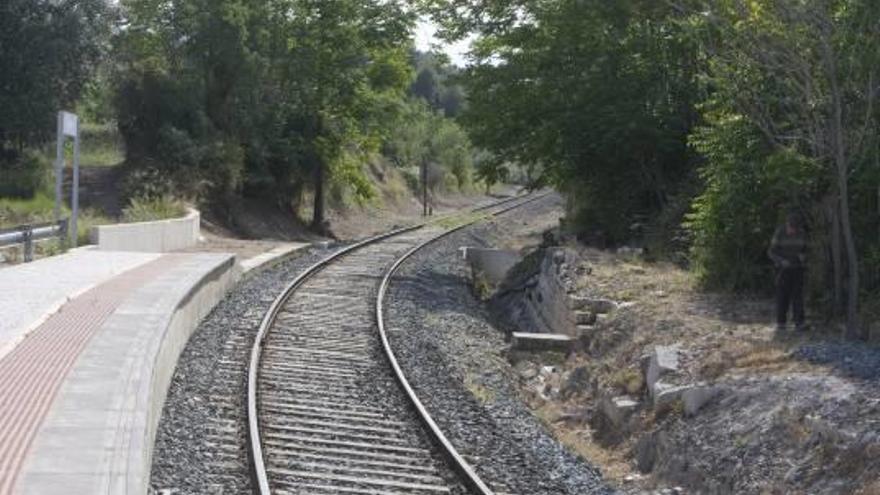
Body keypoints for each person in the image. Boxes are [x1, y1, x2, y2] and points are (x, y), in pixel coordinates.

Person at [768, 211, 808, 333]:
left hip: (797, 268)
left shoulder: (802, 233)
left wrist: (803, 256)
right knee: (782, 296)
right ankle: (781, 323)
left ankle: (799, 323)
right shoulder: (779, 233)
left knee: (798, 296)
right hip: (782, 269)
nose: (793, 230)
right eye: (791, 227)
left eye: (795, 228)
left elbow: (806, 249)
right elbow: (771, 252)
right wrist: (781, 261)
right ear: (787, 224)